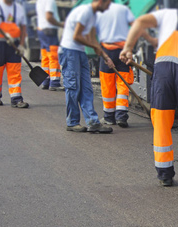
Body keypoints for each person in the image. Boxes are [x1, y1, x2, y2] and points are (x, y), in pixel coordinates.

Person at [120, 0, 178, 186]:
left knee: (162, 123)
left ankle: (165, 175)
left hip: (161, 73)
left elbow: (139, 22)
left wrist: (128, 48)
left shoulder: (168, 15)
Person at [59, 0, 114, 133]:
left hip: (80, 52)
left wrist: (106, 57)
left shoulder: (93, 15)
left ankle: (93, 122)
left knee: (86, 87)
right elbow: (76, 36)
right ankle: (72, 122)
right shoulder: (85, 12)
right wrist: (94, 46)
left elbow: (92, 38)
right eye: (108, 4)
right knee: (73, 87)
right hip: (69, 51)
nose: (107, 8)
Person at [95, 1, 136, 128]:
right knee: (123, 84)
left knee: (108, 86)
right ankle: (121, 117)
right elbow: (135, 27)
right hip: (122, 51)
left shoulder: (99, 11)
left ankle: (109, 117)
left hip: (107, 50)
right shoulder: (123, 9)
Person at [0, 0, 29, 108]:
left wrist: (22, 45)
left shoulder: (18, 8)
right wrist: (4, 34)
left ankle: (16, 99)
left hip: (14, 44)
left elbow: (23, 27)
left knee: (15, 70)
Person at [36, 0, 64, 91]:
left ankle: (46, 81)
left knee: (45, 57)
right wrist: (60, 24)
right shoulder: (50, 1)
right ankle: (55, 82)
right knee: (54, 57)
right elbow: (48, 17)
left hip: (41, 30)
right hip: (49, 31)